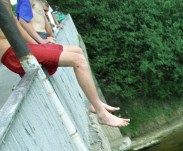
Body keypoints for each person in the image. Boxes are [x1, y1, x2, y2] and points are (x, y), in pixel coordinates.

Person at [0, 0, 129, 127]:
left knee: (77, 51)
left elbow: (15, 24)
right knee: (78, 61)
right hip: (12, 54)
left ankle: (95, 103)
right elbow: (18, 24)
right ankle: (102, 115)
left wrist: (38, 45)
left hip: (21, 49)